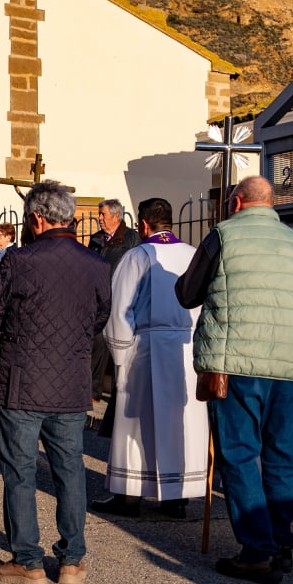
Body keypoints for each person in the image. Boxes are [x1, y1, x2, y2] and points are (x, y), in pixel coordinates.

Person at [175, 176, 293, 584]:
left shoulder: (223, 235)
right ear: (270, 204)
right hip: (290, 364)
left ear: (236, 203)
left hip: (235, 362)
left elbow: (188, 293)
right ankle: (281, 541)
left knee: (238, 453)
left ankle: (257, 550)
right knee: (283, 455)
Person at [0, 180, 111, 584]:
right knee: (70, 469)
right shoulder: (97, 263)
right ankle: (72, 560)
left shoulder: (19, 260)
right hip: (70, 380)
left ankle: (29, 561)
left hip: (22, 380)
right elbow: (99, 320)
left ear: (36, 217)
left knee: (20, 470)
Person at [93, 197, 206, 520]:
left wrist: (119, 354)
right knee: (179, 422)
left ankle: (129, 495)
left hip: (146, 347)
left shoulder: (138, 255)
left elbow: (120, 309)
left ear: (143, 225)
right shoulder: (194, 254)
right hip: (187, 348)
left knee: (136, 425)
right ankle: (176, 496)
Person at [89, 199, 140, 401]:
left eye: (103, 214)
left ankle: (122, 391)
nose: (99, 218)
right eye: (99, 214)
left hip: (122, 299)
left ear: (116, 216)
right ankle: (93, 392)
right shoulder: (96, 239)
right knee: (97, 343)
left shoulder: (131, 239)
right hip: (99, 300)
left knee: (121, 347)